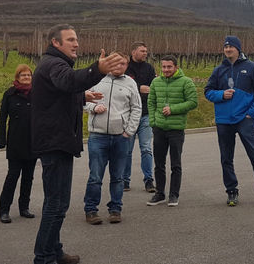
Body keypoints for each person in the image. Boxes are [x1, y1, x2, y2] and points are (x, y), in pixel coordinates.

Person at [31, 24, 126, 264]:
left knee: (57, 203)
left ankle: (54, 251)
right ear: (56, 43)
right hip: (55, 143)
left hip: (58, 141)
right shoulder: (54, 64)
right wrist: (98, 69)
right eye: (70, 39)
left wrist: (82, 96)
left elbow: (60, 92)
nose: (76, 43)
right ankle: (43, 258)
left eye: (76, 39)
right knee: (56, 205)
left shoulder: (53, 64)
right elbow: (67, 81)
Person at [204, 35, 254, 207]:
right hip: (224, 120)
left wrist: (251, 113)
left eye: (231, 47)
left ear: (238, 48)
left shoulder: (251, 68)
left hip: (244, 119)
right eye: (225, 47)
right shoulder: (218, 70)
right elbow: (208, 91)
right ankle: (231, 191)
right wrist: (221, 94)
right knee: (226, 158)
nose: (228, 49)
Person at [83, 52, 141, 225]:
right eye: (115, 63)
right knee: (95, 176)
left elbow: (136, 108)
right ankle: (91, 210)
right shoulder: (97, 79)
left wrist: (128, 131)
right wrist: (93, 107)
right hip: (98, 135)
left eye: (122, 64)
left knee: (118, 177)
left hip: (120, 137)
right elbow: (82, 100)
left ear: (126, 65)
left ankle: (115, 209)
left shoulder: (130, 83)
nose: (118, 66)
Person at [145, 55, 198, 207]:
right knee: (159, 164)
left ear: (176, 67)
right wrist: (153, 122)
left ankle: (174, 194)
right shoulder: (156, 82)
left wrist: (173, 109)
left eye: (169, 67)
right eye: (163, 67)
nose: (166, 70)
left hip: (176, 130)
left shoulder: (186, 82)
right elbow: (151, 102)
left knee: (175, 164)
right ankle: (159, 194)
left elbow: (193, 102)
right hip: (159, 129)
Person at [0, 64, 37, 224]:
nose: (26, 78)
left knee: (28, 177)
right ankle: (4, 210)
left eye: (29, 75)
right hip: (15, 142)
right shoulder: (10, 94)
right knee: (12, 176)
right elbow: (2, 118)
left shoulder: (37, 94)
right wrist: (1, 140)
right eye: (23, 75)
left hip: (33, 142)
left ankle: (24, 207)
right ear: (17, 77)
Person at [123, 41, 156, 192]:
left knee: (146, 148)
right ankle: (125, 180)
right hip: (128, 115)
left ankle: (149, 180)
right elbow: (122, 84)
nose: (145, 53)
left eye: (146, 51)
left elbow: (153, 87)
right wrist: (138, 87)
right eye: (142, 51)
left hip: (146, 114)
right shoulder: (126, 66)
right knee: (127, 150)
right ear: (133, 51)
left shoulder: (149, 68)